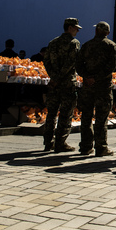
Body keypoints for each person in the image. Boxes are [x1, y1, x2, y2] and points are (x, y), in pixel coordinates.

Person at [75, 21, 116, 157]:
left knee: (86, 116)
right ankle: (101, 147)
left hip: (88, 86)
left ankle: (86, 146)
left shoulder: (86, 45)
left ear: (96, 31)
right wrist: (97, 78)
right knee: (101, 118)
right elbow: (112, 66)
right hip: (103, 87)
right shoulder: (111, 46)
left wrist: (87, 77)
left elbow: (78, 64)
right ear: (108, 33)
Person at [42, 18, 82, 152]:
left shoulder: (53, 43)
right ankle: (60, 142)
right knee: (66, 114)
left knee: (51, 113)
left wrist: (53, 77)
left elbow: (46, 61)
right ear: (70, 28)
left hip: (54, 84)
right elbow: (71, 62)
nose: (77, 30)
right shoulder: (74, 43)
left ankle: (48, 142)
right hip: (66, 83)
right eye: (76, 28)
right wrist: (59, 78)